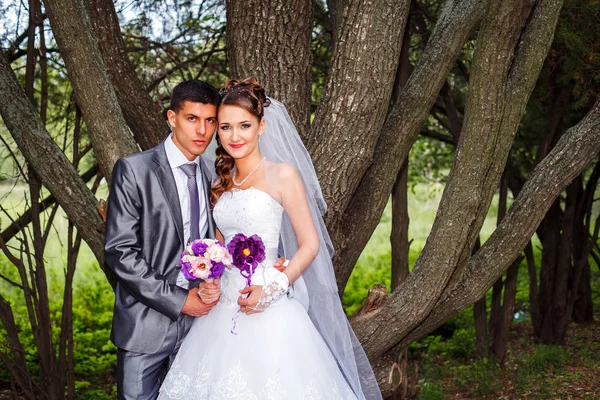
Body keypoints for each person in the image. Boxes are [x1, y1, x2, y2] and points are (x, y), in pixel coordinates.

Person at [158, 78, 382, 399]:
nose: (234, 136)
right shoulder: (221, 181)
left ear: (261, 126)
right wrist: (209, 277)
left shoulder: (283, 175)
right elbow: (220, 247)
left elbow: (310, 244)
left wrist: (274, 286)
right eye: (225, 127)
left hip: (270, 304)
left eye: (244, 125)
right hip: (223, 308)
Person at [105, 80, 285, 400]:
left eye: (210, 120)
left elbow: (219, 242)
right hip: (145, 329)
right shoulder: (134, 170)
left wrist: (270, 268)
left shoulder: (212, 178)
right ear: (172, 118)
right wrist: (179, 300)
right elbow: (120, 253)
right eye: (192, 119)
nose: (202, 130)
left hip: (201, 330)